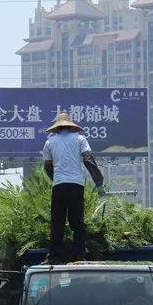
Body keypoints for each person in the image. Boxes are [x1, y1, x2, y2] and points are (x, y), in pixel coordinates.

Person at [41, 112, 103, 264]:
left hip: (59, 186)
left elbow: (48, 166)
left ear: (57, 127)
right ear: (71, 126)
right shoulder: (80, 139)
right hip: (76, 185)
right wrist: (99, 181)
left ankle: (55, 256)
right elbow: (88, 160)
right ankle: (79, 255)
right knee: (77, 222)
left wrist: (55, 178)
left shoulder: (49, 142)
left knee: (57, 222)